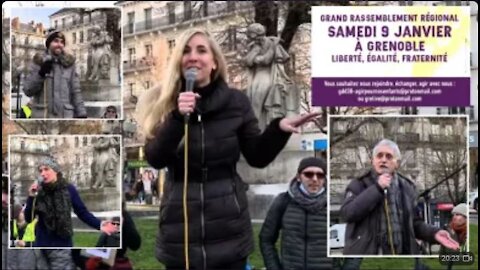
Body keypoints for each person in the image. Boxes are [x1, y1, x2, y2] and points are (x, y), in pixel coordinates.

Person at [137, 28, 318, 269]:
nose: (193, 56)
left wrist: (279, 129)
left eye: (202, 50)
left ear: (213, 62)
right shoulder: (163, 103)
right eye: (186, 51)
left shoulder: (236, 102)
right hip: (180, 234)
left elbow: (257, 155)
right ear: (179, 61)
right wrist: (177, 118)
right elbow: (155, 158)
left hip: (228, 231)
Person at [340, 139, 460, 255]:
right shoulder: (358, 184)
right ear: (373, 161)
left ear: (397, 163)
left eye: (388, 156)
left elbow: (414, 223)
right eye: (379, 156)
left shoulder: (407, 187)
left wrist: (433, 233)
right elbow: (347, 213)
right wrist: (377, 188)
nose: (383, 160)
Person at [25, 156, 118, 247]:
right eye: (40, 171)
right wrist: (31, 198)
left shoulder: (68, 189)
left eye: (46, 169)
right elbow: (29, 218)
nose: (43, 173)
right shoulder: (39, 192)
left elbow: (82, 212)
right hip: (43, 242)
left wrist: (99, 224)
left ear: (55, 171)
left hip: (63, 242)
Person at [259, 157, 332, 270]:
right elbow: (266, 239)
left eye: (320, 175)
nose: (315, 179)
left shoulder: (334, 203)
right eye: (308, 174)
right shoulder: (284, 201)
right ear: (298, 177)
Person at [244, 23, 299, 130]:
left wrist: (260, 57)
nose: (251, 38)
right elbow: (248, 62)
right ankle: (254, 125)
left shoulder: (272, 43)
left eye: (252, 35)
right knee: (252, 99)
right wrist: (256, 52)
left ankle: (255, 125)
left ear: (257, 34)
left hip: (268, 74)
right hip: (256, 75)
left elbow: (267, 60)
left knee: (257, 98)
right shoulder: (254, 46)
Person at [23, 30, 87, 118]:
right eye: (56, 41)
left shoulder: (69, 65)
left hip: (65, 117)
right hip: (43, 117)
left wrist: (82, 113)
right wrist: (41, 74)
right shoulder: (38, 62)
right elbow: (28, 90)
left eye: (62, 42)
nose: (59, 45)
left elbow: (76, 91)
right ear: (49, 44)